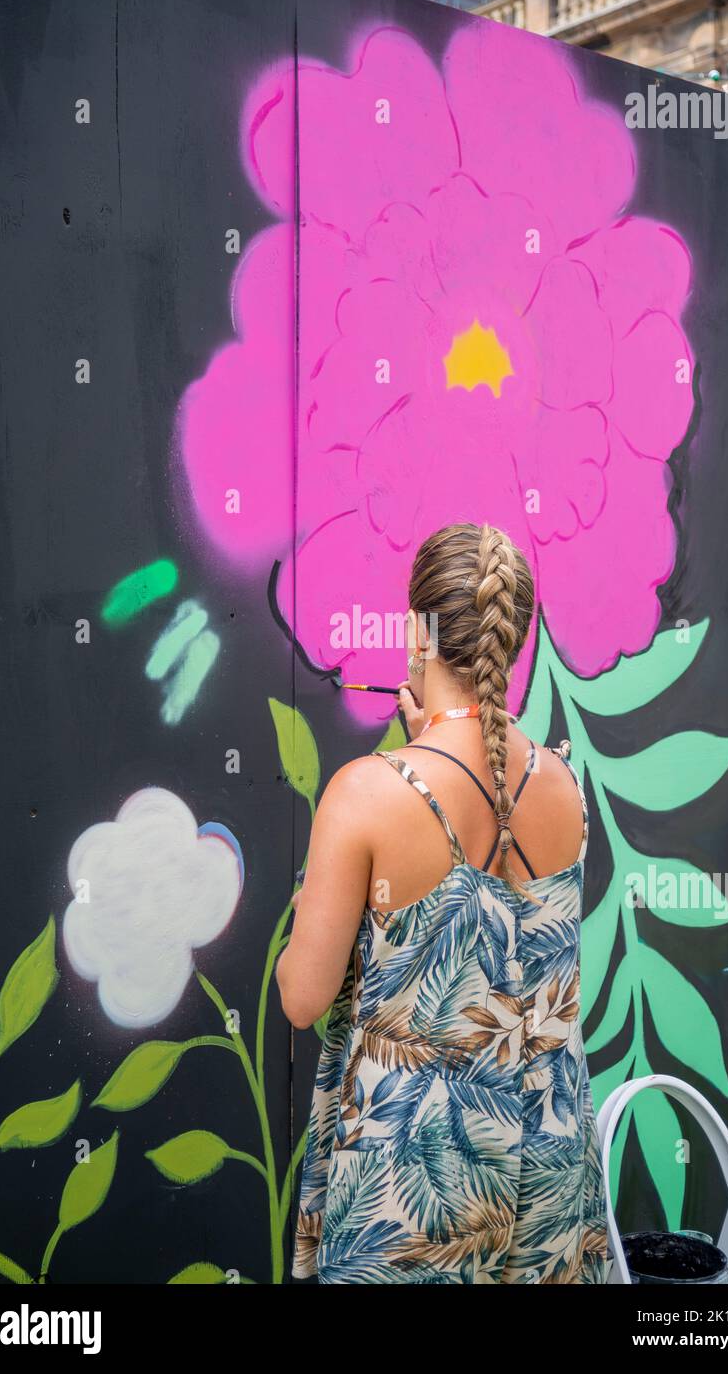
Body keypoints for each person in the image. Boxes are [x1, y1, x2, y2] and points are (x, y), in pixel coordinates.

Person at [277, 521, 608, 1284]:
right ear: (515, 639)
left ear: (417, 633)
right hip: (549, 1156)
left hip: (416, 1172)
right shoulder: (564, 786)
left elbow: (302, 997)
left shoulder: (368, 793)